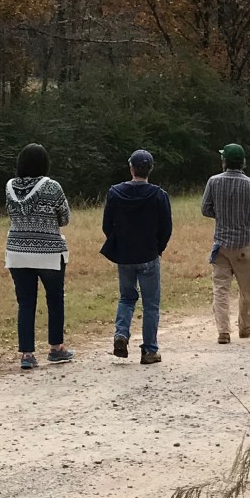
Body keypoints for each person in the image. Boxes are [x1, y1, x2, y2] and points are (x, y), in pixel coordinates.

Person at [4, 143, 74, 372]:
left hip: (17, 252)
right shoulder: (52, 187)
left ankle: (27, 354)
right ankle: (56, 347)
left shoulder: (10, 186)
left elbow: (11, 213)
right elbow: (65, 218)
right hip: (48, 253)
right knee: (54, 299)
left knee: (25, 302)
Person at [102, 149, 173, 366]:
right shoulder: (159, 195)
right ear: (150, 169)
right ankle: (149, 350)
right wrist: (158, 248)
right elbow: (166, 228)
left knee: (126, 298)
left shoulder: (115, 193)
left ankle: (121, 334)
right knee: (150, 304)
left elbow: (107, 225)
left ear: (131, 168)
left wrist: (119, 243)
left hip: (125, 256)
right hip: (148, 254)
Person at [201, 142, 250, 344]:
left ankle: (223, 331)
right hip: (244, 246)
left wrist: (221, 215)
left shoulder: (213, 181)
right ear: (243, 162)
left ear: (224, 161)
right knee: (246, 289)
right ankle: (245, 325)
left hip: (221, 245)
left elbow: (205, 209)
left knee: (221, 289)